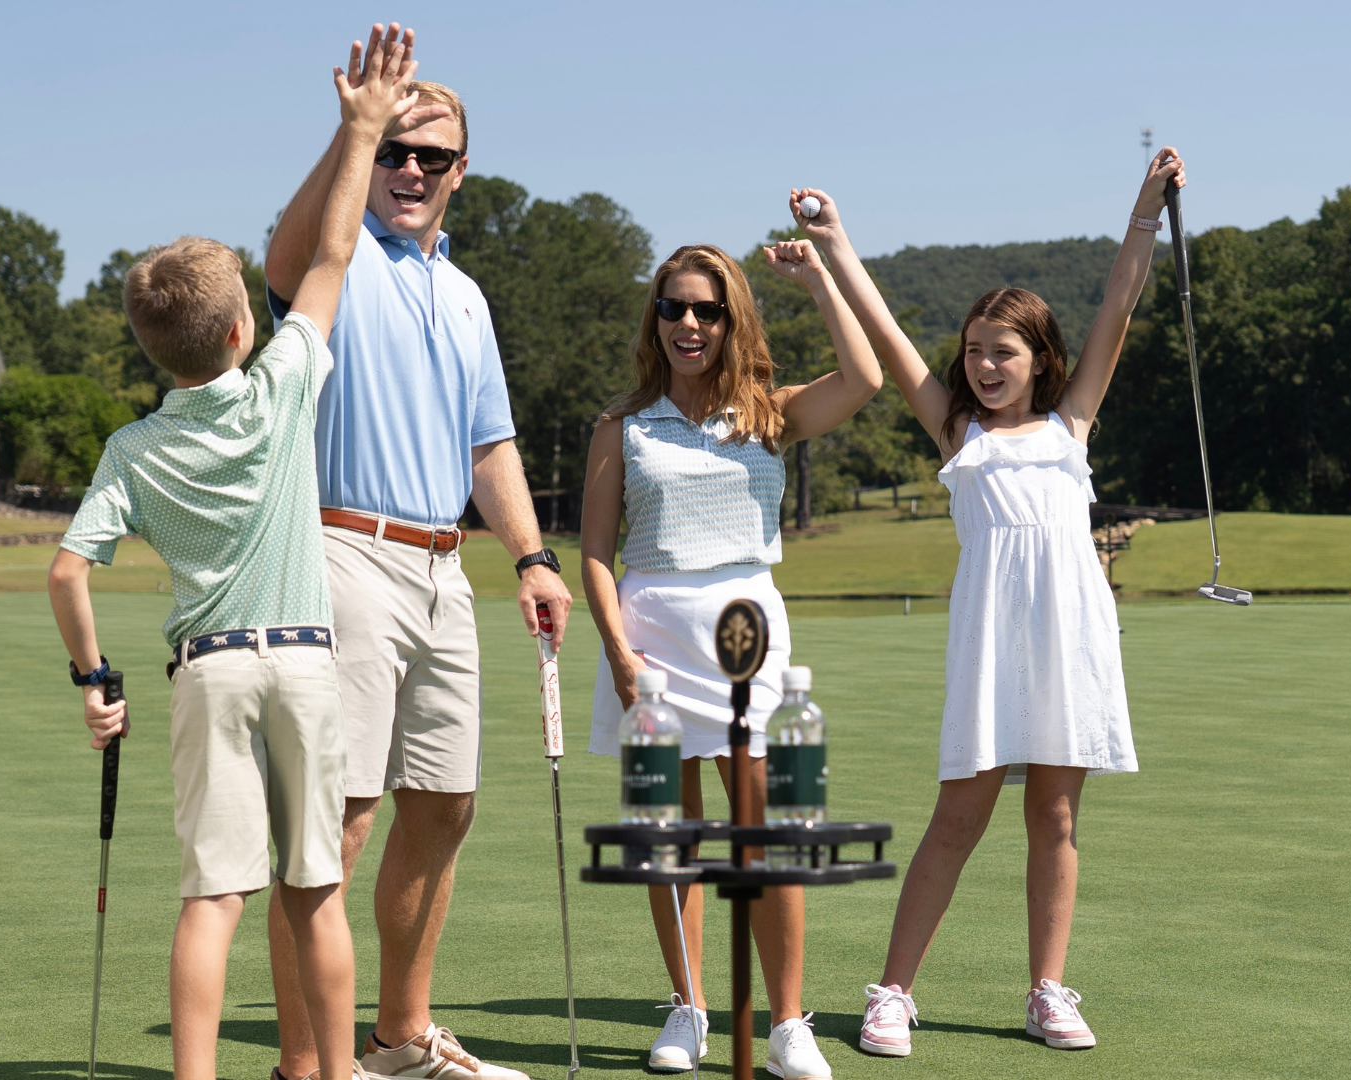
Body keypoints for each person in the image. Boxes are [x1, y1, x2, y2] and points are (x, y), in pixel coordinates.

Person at [45, 32, 438, 1080]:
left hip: (209, 671)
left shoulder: (132, 448)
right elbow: (332, 256)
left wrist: (93, 681)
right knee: (315, 895)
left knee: (213, 899)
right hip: (305, 664)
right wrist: (361, 131)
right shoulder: (281, 386)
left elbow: (68, 570)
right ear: (236, 335)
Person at [799, 151, 1183, 1058]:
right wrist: (837, 242)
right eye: (973, 351)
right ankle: (893, 994)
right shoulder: (957, 431)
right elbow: (889, 333)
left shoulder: (1072, 423)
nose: (982, 365)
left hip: (1071, 641)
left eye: (1001, 351)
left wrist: (1145, 208)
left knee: (1056, 818)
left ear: (1041, 359)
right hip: (990, 645)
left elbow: (1119, 302)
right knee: (958, 819)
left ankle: (1047, 991)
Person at [261, 23, 571, 1080]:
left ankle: (398, 1039)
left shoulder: (467, 294)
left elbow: (490, 445)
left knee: (445, 806)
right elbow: (288, 255)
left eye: (428, 156)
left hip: (445, 569)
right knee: (339, 824)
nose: (407, 170)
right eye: (392, 151)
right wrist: (354, 130)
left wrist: (530, 555)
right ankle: (307, 1066)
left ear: (459, 173)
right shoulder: (336, 261)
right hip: (341, 553)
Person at [580, 239, 882, 1080]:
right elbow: (596, 552)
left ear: (731, 320)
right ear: (655, 319)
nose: (688, 323)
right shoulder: (620, 425)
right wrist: (618, 655)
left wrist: (819, 277)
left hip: (747, 632)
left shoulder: (769, 413)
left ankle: (786, 1023)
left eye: (706, 310)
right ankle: (688, 1008)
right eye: (672, 307)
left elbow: (865, 378)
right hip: (650, 636)